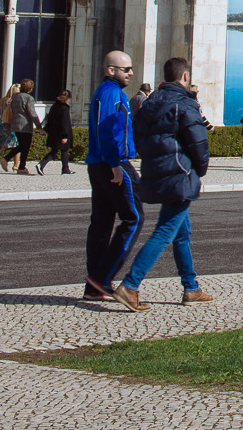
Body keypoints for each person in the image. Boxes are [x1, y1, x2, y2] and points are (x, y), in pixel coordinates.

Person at [113, 56, 212, 311]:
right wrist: (199, 170)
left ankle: (191, 288)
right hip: (179, 173)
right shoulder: (185, 104)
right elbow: (199, 142)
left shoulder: (150, 102)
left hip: (157, 171)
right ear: (185, 77)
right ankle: (130, 285)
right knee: (165, 231)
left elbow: (138, 136)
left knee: (182, 232)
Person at [83, 51, 140, 300]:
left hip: (99, 163)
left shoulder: (107, 92)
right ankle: (102, 278)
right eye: (126, 69)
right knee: (133, 218)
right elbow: (106, 129)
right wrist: (115, 163)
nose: (131, 73)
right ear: (111, 70)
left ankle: (94, 286)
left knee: (102, 223)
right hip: (112, 163)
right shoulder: (112, 93)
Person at [37, 89, 75, 174]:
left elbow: (49, 119)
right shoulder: (64, 108)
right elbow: (65, 123)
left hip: (54, 132)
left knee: (56, 150)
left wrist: (45, 129)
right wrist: (65, 136)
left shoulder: (54, 106)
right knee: (63, 150)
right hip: (61, 133)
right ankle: (42, 164)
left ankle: (65, 169)